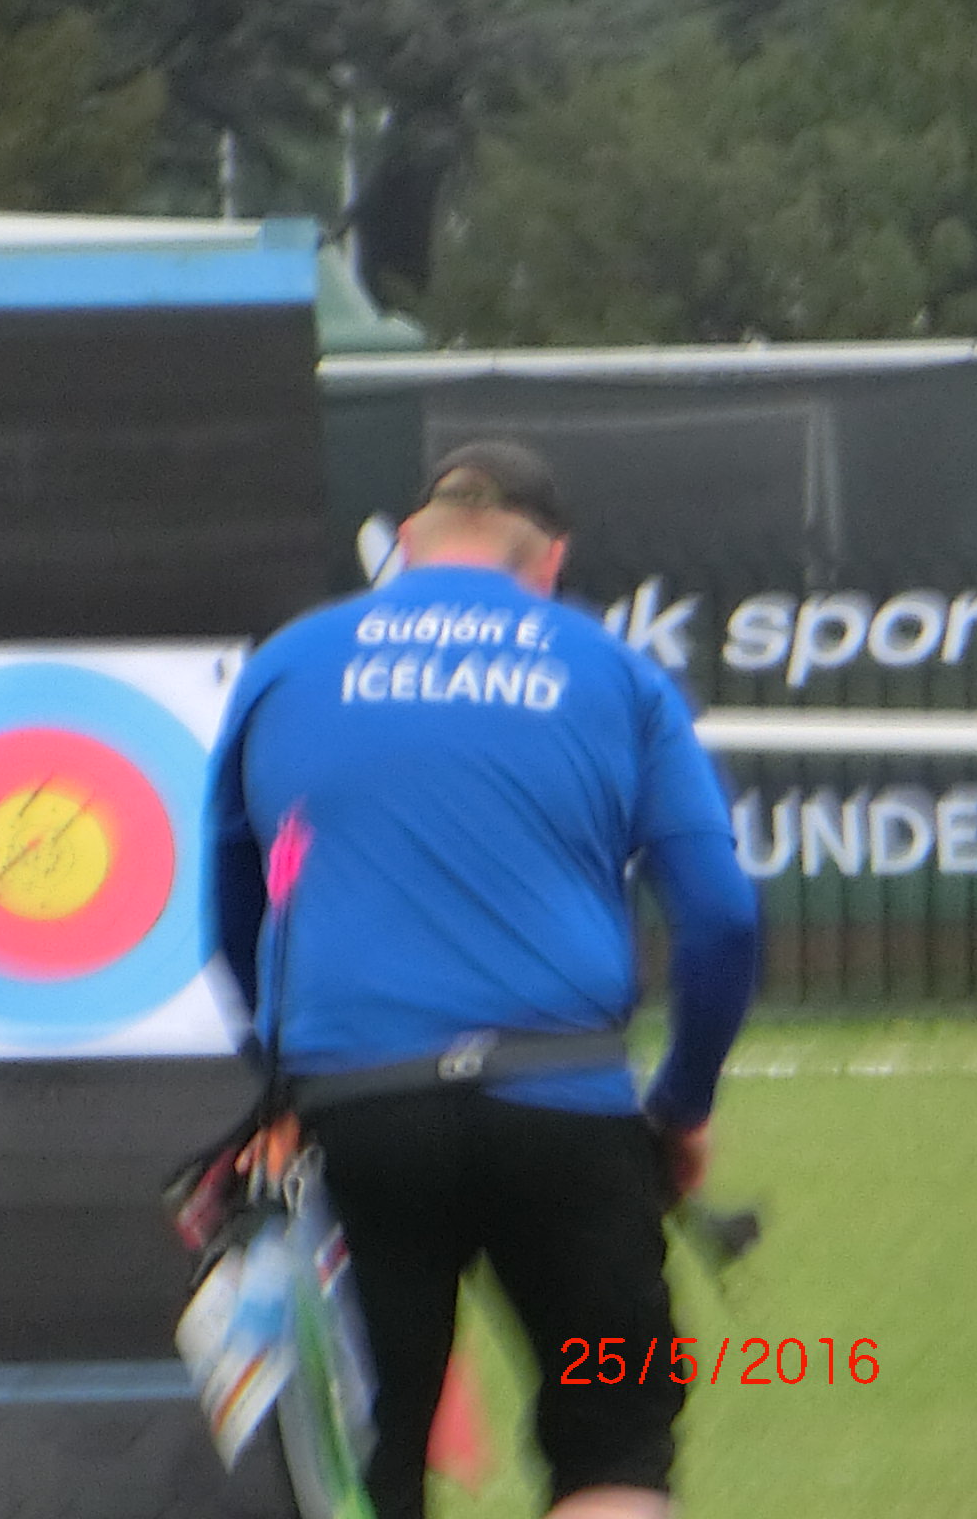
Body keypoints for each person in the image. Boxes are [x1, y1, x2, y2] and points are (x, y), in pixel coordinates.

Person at [205, 441, 760, 1519]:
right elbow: (721, 916)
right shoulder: (613, 672)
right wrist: (683, 1104)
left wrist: (277, 1069)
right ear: (548, 561)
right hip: (566, 1118)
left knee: (371, 1465)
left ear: (408, 545)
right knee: (615, 1440)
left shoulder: (288, 665)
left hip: (358, 1117)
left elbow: (231, 906)